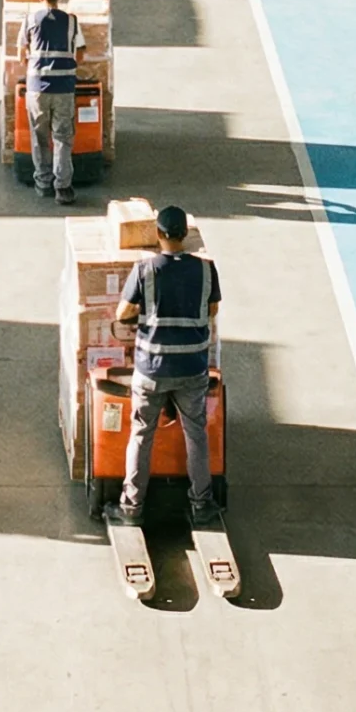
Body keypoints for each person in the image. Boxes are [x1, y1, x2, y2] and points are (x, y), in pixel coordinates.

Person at [113, 205, 223, 527]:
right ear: (185, 235)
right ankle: (201, 503)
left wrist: (146, 314)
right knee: (196, 434)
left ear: (157, 234)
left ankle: (132, 506)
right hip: (192, 368)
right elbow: (212, 309)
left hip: (152, 369)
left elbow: (122, 313)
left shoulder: (145, 269)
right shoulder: (206, 269)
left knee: (141, 434)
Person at [21, 0, 87, 205]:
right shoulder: (72, 22)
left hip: (36, 88)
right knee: (63, 137)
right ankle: (63, 188)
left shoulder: (30, 20)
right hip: (64, 88)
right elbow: (81, 54)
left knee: (39, 137)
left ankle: (43, 183)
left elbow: (21, 55)